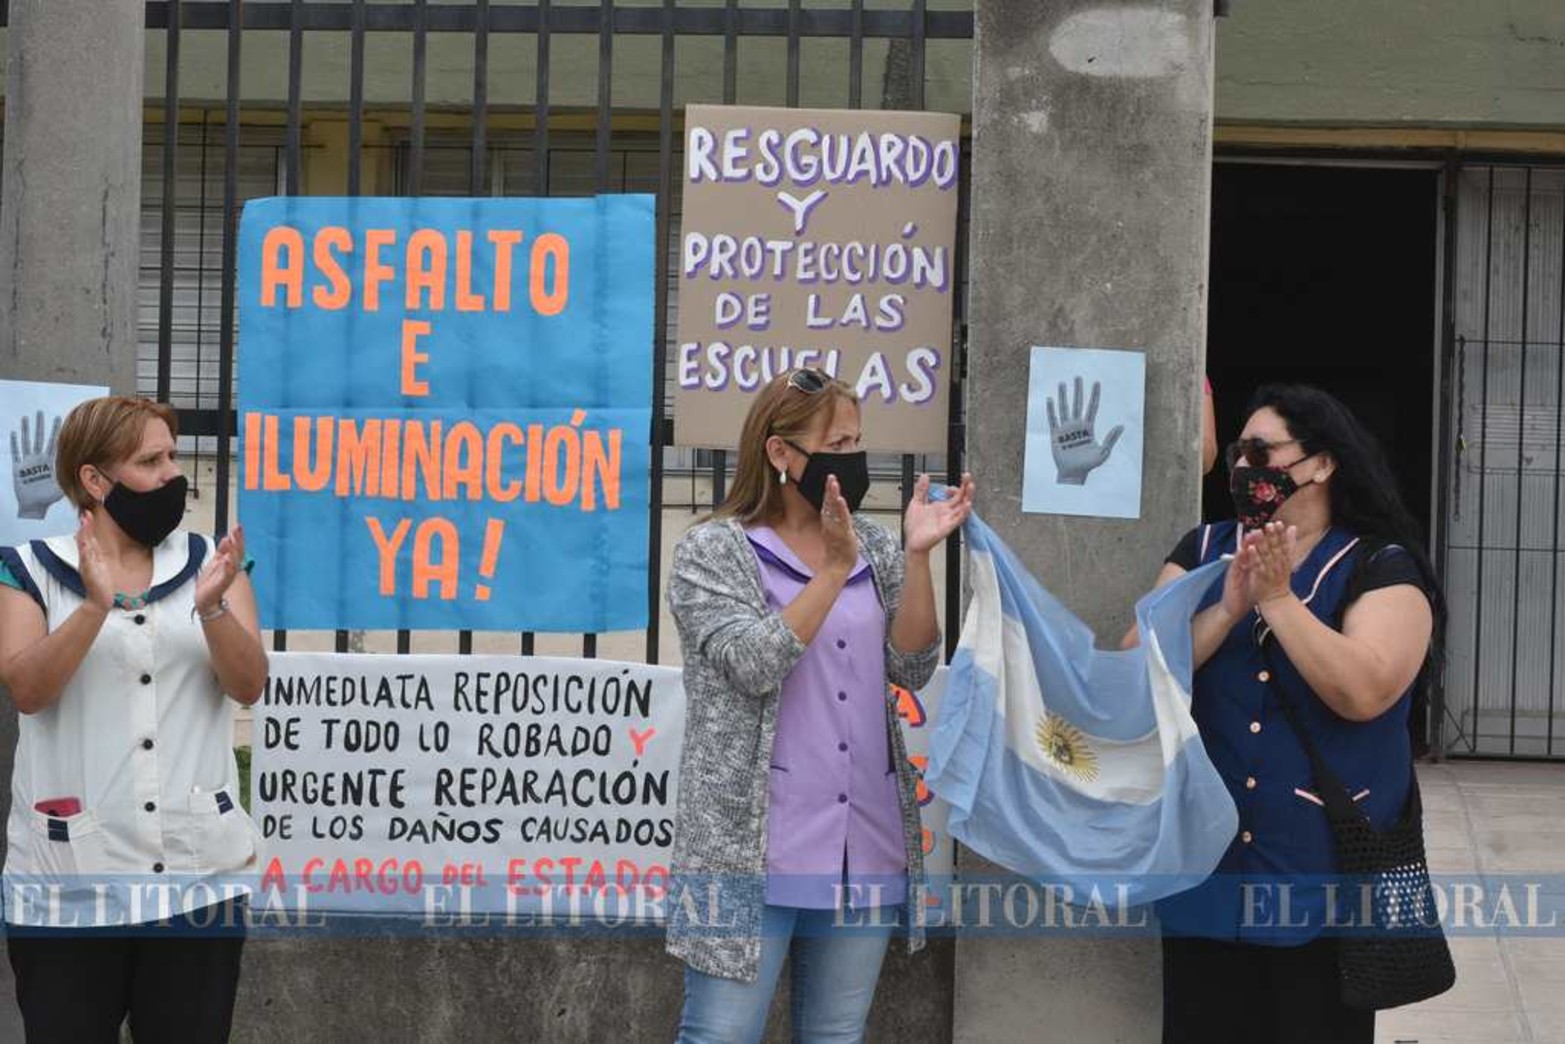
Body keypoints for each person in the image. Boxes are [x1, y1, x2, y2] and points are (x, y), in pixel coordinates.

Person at [1127, 384, 1443, 1044]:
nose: (1243, 467)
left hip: (1320, 871)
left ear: (1321, 464)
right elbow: (1136, 670)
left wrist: (1279, 602)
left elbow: (1365, 691)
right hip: (1204, 867)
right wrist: (1225, 610)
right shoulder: (1204, 548)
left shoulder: (1377, 567)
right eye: (1238, 453)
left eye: (1261, 450)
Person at [665, 367, 973, 1042]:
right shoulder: (712, 552)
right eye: (835, 444)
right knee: (720, 1034)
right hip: (750, 847)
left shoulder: (876, 546)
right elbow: (750, 663)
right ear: (779, 452)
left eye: (858, 442)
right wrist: (832, 570)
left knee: (835, 1034)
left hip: (860, 838)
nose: (852, 461)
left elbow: (911, 665)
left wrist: (917, 557)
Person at [0, 396, 268, 1042]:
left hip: (197, 890)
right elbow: (27, 689)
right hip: (67, 894)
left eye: (173, 455)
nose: (173, 473)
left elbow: (249, 683)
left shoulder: (214, 564)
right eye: (151, 460)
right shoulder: (28, 571)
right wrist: (94, 606)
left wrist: (211, 609)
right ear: (95, 481)